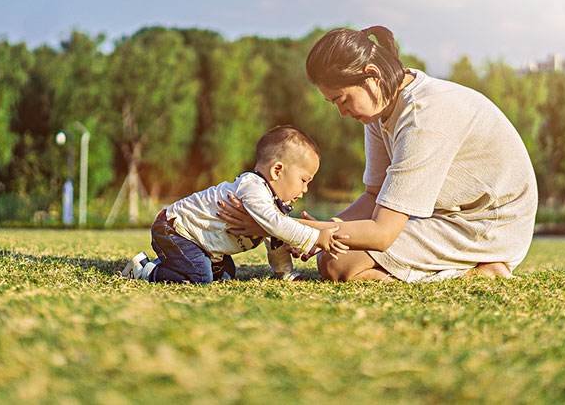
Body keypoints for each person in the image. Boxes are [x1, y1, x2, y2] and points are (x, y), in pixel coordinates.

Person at [219, 26, 538, 282]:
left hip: (486, 224)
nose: (341, 112)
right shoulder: (381, 111)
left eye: (341, 99)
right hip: (450, 214)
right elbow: (374, 195)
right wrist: (317, 230)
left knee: (338, 265)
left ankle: (476, 270)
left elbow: (382, 232)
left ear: (371, 76)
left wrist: (280, 227)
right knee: (333, 258)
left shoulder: (424, 116)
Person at [121, 125, 348, 284]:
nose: (305, 189)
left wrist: (285, 273)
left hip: (203, 244)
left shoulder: (272, 203)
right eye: (304, 180)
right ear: (277, 170)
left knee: (226, 273)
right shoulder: (253, 187)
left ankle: (171, 262)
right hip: (176, 229)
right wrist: (315, 237)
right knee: (199, 277)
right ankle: (145, 270)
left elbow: (275, 240)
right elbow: (275, 225)